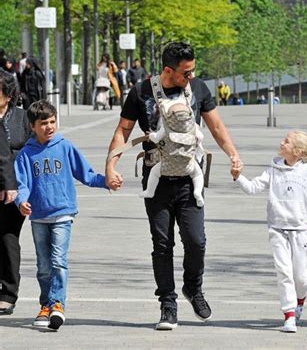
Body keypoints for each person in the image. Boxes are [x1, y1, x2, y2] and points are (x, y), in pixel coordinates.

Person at [105, 41, 241, 331]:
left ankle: (193, 287)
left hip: (189, 178)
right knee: (162, 244)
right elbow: (123, 130)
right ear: (168, 70)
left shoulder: (199, 89)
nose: (190, 76)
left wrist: (233, 155)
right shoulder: (141, 92)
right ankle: (168, 304)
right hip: (157, 178)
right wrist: (110, 165)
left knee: (196, 241)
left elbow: (216, 126)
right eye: (185, 72)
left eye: (192, 71)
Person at [231, 130, 307, 333]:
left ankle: (300, 300)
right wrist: (238, 177)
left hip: (301, 231)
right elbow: (253, 187)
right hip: (277, 230)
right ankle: (289, 315)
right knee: (284, 272)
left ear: (297, 151)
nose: (281, 142)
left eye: (286, 141)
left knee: (301, 279)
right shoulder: (273, 169)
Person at [14, 100, 110, 330]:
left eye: (52, 121)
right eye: (43, 123)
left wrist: (106, 181)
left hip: (62, 214)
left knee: (58, 261)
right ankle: (45, 305)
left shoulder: (65, 147)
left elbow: (85, 174)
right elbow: (22, 184)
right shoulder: (26, 154)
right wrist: (21, 202)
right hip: (38, 216)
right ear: (32, 126)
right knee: (43, 266)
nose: (49, 126)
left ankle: (57, 304)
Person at [0, 70, 31, 315]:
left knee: (8, 238)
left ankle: (9, 292)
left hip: (15, 188)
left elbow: (34, 150)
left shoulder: (22, 118)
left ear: (9, 94)